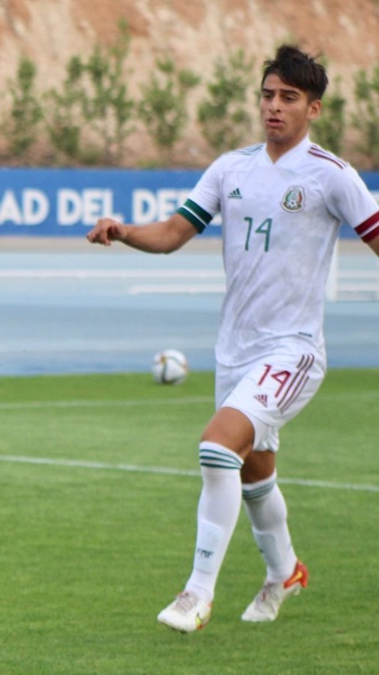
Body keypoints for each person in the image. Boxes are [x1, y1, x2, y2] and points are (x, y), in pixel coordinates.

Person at [87, 45, 379, 633]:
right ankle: (285, 572)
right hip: (235, 351)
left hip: (293, 348)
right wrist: (124, 232)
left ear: (313, 109)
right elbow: (173, 233)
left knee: (217, 447)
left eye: (288, 98)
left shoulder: (332, 175)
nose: (274, 107)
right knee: (253, 475)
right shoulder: (231, 168)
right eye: (268, 95)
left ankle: (196, 594)